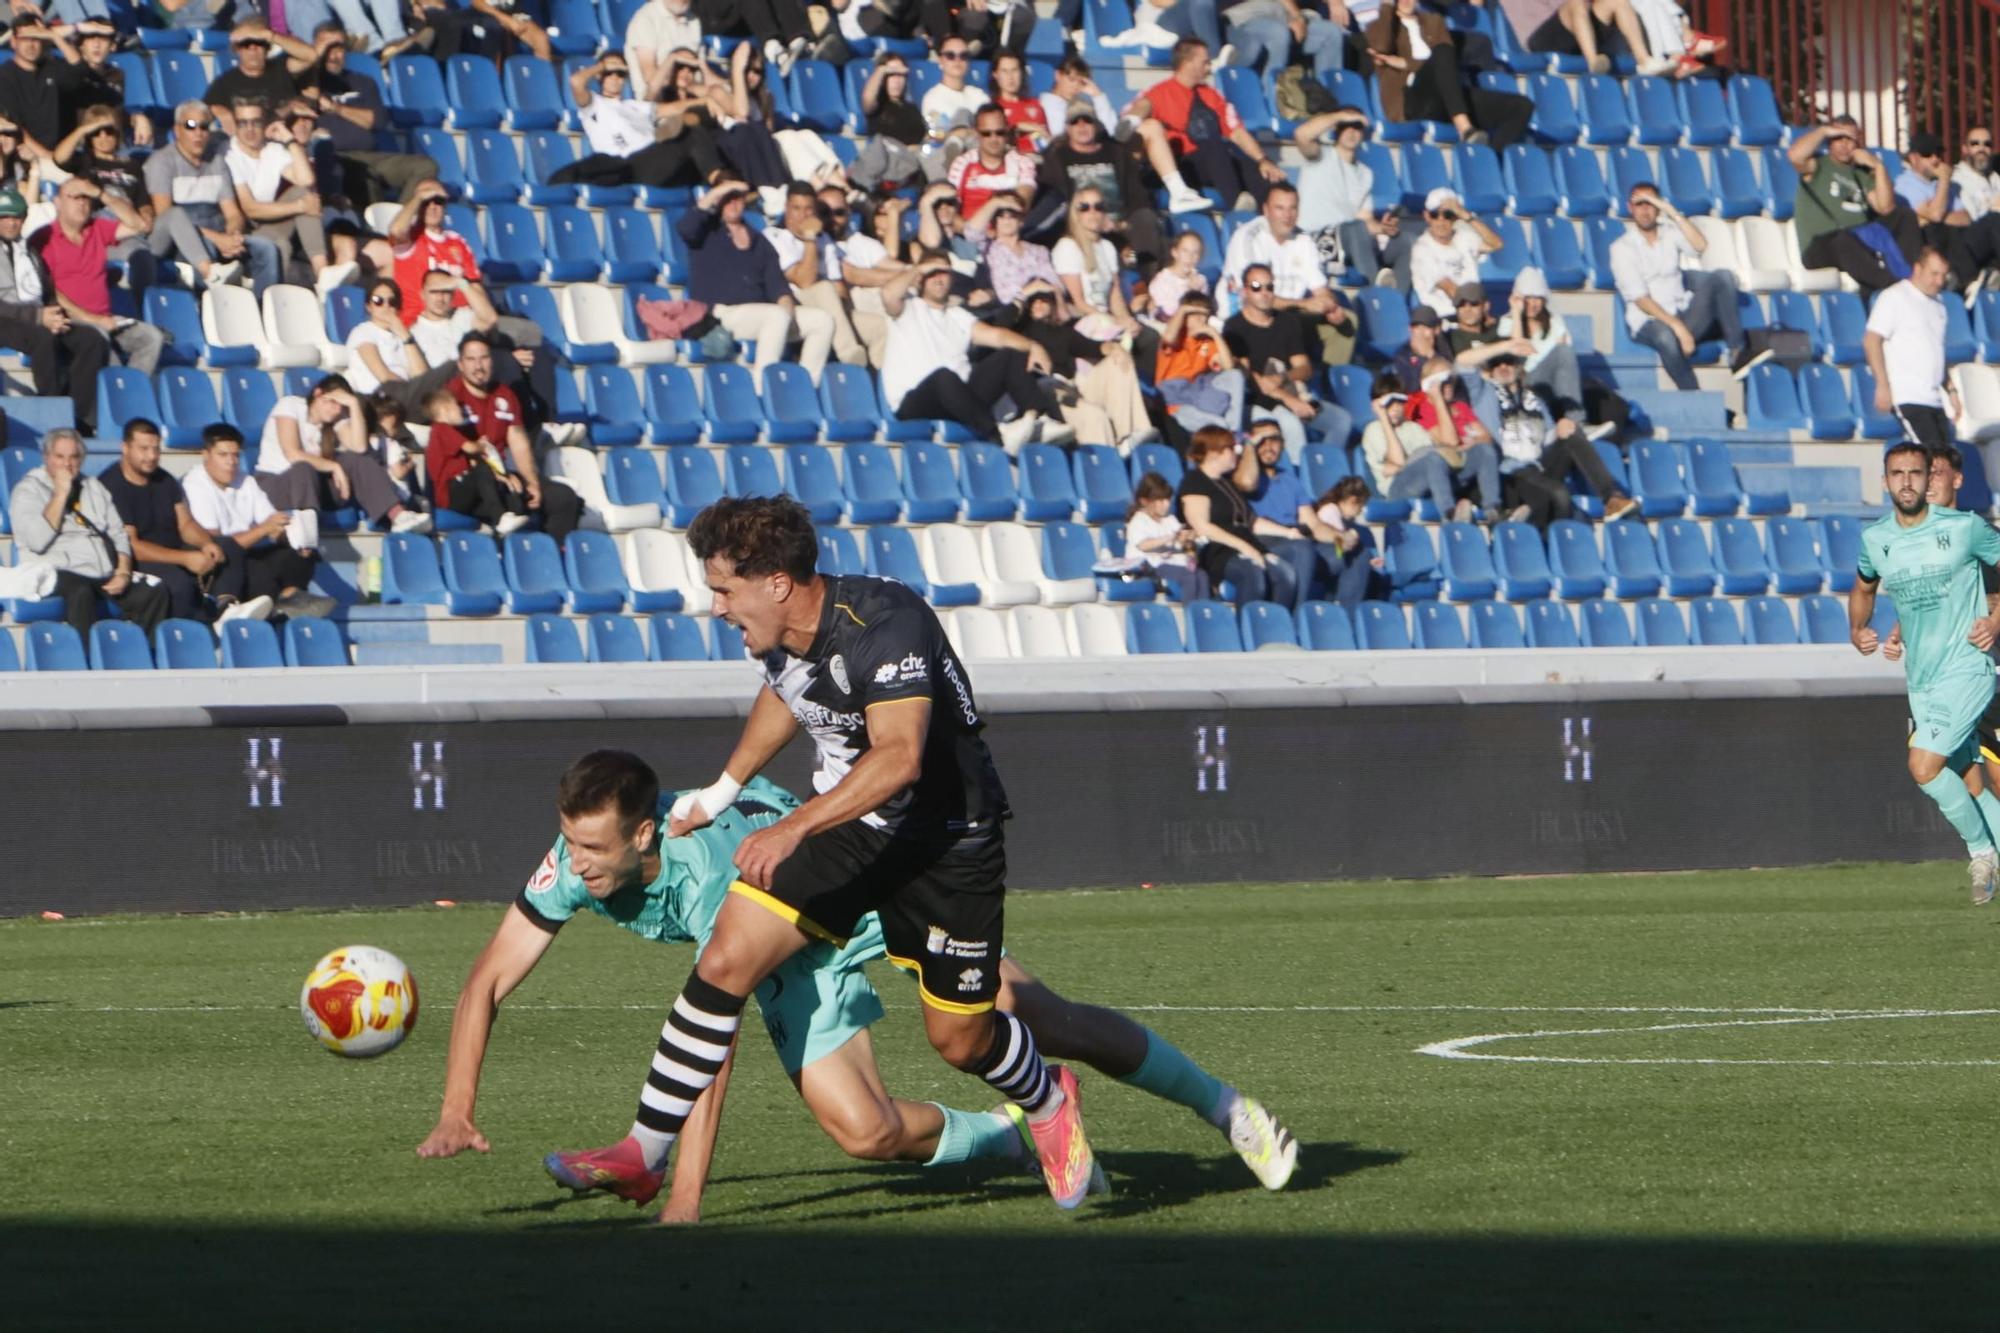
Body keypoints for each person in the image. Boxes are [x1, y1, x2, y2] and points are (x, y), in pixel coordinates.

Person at [423, 751, 1298, 1216]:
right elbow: (486, 980)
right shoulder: (574, 863)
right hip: (794, 948)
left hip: (864, 894)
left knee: (1035, 1016)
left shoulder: (702, 873)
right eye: (569, 843)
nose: (574, 864)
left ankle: (1226, 1108)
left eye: (592, 849)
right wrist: (458, 1107)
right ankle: (1010, 1134)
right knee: (865, 1133)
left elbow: (709, 1039)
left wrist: (685, 1198)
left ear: (645, 835)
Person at [539, 498, 1108, 1213]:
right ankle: (644, 1152)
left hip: (946, 840)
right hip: (854, 828)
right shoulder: (781, 637)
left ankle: (1049, 1098)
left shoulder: (889, 622)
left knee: (961, 1041)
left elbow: (899, 757)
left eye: (723, 589)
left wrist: (792, 826)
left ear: (776, 581)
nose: (715, 607)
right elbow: (788, 696)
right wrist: (721, 790)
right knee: (725, 958)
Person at [1851, 443, 2000, 905]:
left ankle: (1982, 855)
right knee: (1965, 775)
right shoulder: (1877, 539)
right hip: (1923, 678)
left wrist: (1996, 620)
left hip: (1968, 668)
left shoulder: (1964, 529)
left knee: (1923, 765)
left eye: (1917, 473)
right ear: (1885, 482)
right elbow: (1863, 587)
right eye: (1898, 473)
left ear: (1930, 479)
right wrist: (1858, 628)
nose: (1909, 481)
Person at [878, 253, 1069, 450]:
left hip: (960, 400)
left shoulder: (958, 316)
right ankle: (997, 434)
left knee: (1011, 354)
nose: (938, 277)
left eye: (944, 272)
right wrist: (918, 268)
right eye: (932, 272)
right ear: (920, 278)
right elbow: (888, 294)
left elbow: (997, 337)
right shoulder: (907, 307)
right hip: (915, 403)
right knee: (943, 377)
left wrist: (1034, 347)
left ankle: (1040, 419)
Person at [97, 417, 272, 625]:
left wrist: (205, 543)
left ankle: (225, 608)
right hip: (137, 559)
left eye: (156, 449)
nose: (152, 456)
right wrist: (185, 558)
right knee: (179, 582)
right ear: (125, 448)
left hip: (173, 547)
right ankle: (197, 632)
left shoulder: (164, 479)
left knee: (226, 545)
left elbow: (186, 524)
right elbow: (131, 545)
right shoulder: (112, 485)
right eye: (143, 449)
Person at [8, 427, 170, 639]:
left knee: (154, 591)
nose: (67, 464)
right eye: (60, 457)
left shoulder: (93, 487)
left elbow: (118, 534)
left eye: (74, 457)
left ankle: (141, 659)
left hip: (99, 571)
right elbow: (37, 541)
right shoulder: (27, 490)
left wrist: (123, 571)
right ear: (46, 457)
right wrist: (60, 494)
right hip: (55, 570)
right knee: (81, 592)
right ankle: (84, 663)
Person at [677, 177, 835, 383]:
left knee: (822, 321)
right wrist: (720, 190)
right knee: (776, 316)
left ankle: (805, 386)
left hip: (762, 315)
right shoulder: (706, 232)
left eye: (738, 198)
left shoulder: (760, 241)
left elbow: (778, 287)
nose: (733, 204)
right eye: (727, 199)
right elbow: (685, 228)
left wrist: (787, 309)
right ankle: (763, 388)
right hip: (719, 313)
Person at [1609, 182, 1764, 390]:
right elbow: (1640, 298)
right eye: (1640, 204)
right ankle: (1695, 397)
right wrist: (1678, 327)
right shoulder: (1622, 248)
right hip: (1648, 320)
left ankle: (1737, 353)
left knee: (1722, 277)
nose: (1645, 210)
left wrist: (1672, 212)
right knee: (1666, 337)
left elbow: (1700, 246)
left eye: (1651, 204)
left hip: (1683, 311)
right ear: (1630, 208)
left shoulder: (1669, 233)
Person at [1461, 350, 1636, 527]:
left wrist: (1561, 427)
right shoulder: (1483, 394)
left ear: (1518, 366)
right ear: (1489, 370)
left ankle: (1611, 498)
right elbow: (1462, 363)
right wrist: (1507, 345)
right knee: (1560, 495)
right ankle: (1545, 540)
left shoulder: (1534, 399)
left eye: (1508, 362)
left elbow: (1547, 438)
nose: (1503, 367)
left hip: (1538, 464)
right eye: (1496, 364)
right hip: (1511, 472)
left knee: (1572, 433)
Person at [182, 423, 338, 621]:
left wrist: (293, 537)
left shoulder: (245, 481)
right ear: (206, 455)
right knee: (248, 563)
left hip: (248, 549)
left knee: (299, 553)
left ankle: (290, 597)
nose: (231, 462)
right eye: (223, 455)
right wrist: (264, 529)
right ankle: (267, 610)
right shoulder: (195, 484)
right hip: (222, 560)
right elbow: (215, 542)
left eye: (236, 455)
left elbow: (270, 521)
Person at [449, 332, 584, 543]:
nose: (478, 366)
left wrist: (532, 483)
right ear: (460, 364)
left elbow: (519, 442)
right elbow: (458, 447)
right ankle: (506, 563)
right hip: (467, 483)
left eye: (484, 358)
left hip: (502, 476)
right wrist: (499, 476)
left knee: (562, 497)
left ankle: (553, 558)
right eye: (471, 359)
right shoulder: (451, 395)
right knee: (512, 501)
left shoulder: (504, 394)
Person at [258, 373, 432, 533]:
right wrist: (334, 466)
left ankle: (398, 516)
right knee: (303, 468)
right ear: (318, 394)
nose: (335, 410)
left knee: (356, 460)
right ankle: (306, 531)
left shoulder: (336, 419)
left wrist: (354, 404)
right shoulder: (290, 405)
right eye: (332, 402)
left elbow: (360, 448)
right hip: (276, 485)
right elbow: (293, 454)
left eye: (341, 405)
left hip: (315, 490)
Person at [1132, 39, 1288, 216]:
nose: (1209, 67)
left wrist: (1263, 160)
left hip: (1211, 162)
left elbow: (1236, 132)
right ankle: (1237, 208)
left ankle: (1268, 217)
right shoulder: (1158, 93)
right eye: (1205, 62)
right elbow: (1135, 117)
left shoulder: (1211, 95)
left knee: (1257, 170)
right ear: (1187, 62)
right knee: (1214, 147)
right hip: (1181, 165)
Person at [31, 176, 164, 380]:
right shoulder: (44, 239)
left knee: (151, 337)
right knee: (103, 347)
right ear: (58, 202)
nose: (82, 202)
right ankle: (121, 395)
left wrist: (101, 194)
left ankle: (132, 391)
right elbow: (49, 293)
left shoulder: (97, 228)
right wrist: (93, 319)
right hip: (69, 322)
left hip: (105, 320)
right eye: (74, 197)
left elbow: (140, 225)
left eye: (86, 197)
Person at [293, 23, 437, 212]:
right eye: (327, 48)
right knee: (364, 177)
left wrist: (336, 108)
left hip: (371, 156)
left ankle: (397, 222)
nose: (333, 56)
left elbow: (377, 121)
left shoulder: (362, 82)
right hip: (333, 157)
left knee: (426, 166)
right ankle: (378, 228)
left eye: (339, 49)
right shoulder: (306, 83)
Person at [0, 187, 107, 438]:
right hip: (6, 320)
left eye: (16, 216)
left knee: (90, 339)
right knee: (43, 338)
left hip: (36, 317)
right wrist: (39, 318)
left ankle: (79, 416)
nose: (11, 222)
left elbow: (46, 291)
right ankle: (53, 409)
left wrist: (55, 316)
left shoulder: (30, 253)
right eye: (4, 217)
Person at [144, 100, 282, 294]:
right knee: (207, 247)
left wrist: (231, 236)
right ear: (177, 130)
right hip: (183, 239)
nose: (198, 133)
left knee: (266, 249)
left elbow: (232, 213)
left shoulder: (217, 161)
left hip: (218, 230)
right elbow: (165, 216)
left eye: (204, 126)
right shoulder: (161, 162)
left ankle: (263, 309)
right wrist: (217, 239)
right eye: (190, 126)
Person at [1366, 0, 1532, 149]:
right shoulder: (1382, 25)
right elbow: (1380, 47)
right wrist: (1386, 6)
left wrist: (1406, 63)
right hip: (1414, 101)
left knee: (1522, 106)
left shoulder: (1433, 21)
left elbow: (1446, 56)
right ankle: (1464, 128)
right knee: (1441, 52)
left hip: (1448, 96)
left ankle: (1489, 156)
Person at [1223, 181, 1355, 366]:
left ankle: (1332, 381)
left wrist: (1329, 305)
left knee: (1346, 322)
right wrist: (1306, 304)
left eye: (1292, 208)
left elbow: (1320, 288)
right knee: (1283, 323)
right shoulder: (1248, 237)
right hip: (1248, 317)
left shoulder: (1303, 240)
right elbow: (1257, 298)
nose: (1287, 216)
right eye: (1280, 208)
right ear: (1266, 210)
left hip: (1288, 317)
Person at [1790, 115, 1922, 294]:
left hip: (1859, 239)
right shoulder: (1819, 166)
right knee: (1843, 241)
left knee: (1905, 215)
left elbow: (1886, 207)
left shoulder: (1861, 173)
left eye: (1850, 139)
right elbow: (1795, 156)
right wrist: (1823, 130)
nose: (1844, 144)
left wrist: (1878, 166)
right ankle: (1891, 288)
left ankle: (1912, 274)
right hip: (1821, 246)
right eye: (1838, 138)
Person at [1012, 282, 1152, 449]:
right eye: (1033, 302)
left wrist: (1114, 348)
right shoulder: (1019, 332)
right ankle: (1106, 465)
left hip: (1075, 387)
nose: (1038, 305)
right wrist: (1023, 293)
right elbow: (1000, 323)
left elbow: (1093, 347)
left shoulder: (1063, 332)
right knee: (1096, 417)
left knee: (1118, 358)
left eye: (1043, 301)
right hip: (1049, 390)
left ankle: (1129, 434)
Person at [1294, 106, 1414, 291]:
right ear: (1336, 129)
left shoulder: (1365, 174)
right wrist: (1339, 115)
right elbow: (1301, 134)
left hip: (1350, 240)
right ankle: (1376, 291)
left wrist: (1382, 228)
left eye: (1357, 126)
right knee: (1356, 230)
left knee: (1406, 239)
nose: (1352, 132)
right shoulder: (1321, 155)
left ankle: (1397, 301)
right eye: (1346, 126)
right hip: (1315, 239)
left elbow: (1365, 219)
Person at [1176, 425, 1298, 608]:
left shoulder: (1228, 483)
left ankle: (1276, 628)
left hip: (1248, 545)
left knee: (1286, 574)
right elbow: (1202, 526)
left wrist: (1288, 533)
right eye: (1231, 448)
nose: (1236, 452)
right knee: (1253, 574)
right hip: (1219, 551)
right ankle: (1248, 629)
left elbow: (1250, 521)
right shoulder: (1195, 481)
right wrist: (1245, 548)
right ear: (1214, 453)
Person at [223, 96, 338, 289]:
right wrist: (300, 206)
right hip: (243, 231)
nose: (250, 129)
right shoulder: (230, 155)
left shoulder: (272, 150)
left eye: (256, 122)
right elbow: (250, 210)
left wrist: (289, 138)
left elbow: (307, 179)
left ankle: (323, 273)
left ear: (265, 123)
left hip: (267, 224)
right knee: (280, 243)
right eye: (243, 123)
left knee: (304, 191)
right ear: (235, 126)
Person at [1032, 104, 1163, 272]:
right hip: (1078, 223)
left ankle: (1149, 284)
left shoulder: (1116, 153)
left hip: (1118, 221)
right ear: (1067, 128)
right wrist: (1089, 220)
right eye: (1075, 122)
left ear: (1096, 124)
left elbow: (1137, 195)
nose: (1081, 126)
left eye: (1087, 120)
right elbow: (1056, 198)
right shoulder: (1057, 157)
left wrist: (1120, 225)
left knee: (1145, 219)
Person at [1240, 418, 1348, 612]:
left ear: (1282, 444)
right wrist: (1249, 445)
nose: (1268, 446)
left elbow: (1313, 524)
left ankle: (1345, 622)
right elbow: (1247, 485)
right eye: (1261, 440)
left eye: (1274, 440)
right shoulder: (1243, 476)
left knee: (1350, 554)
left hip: (1298, 541)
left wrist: (1341, 539)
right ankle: (1296, 618)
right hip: (1265, 541)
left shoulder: (1290, 479)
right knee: (1302, 547)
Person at [1360, 369, 1495, 523]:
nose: (1396, 408)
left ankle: (1492, 510)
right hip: (1396, 489)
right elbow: (1399, 461)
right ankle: (1450, 514)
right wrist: (1384, 419)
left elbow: (1435, 454)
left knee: (1483, 451)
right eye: (1389, 404)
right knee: (1433, 459)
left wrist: (1462, 450)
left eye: (1400, 402)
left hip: (1427, 480)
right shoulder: (1374, 429)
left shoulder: (1412, 428)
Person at [1224, 262, 1323, 457]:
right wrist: (1290, 401)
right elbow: (1249, 378)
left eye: (1269, 287)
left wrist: (1281, 378)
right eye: (1256, 287)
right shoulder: (1234, 327)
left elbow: (1304, 367)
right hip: (1257, 400)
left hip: (1288, 389)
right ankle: (1297, 479)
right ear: (1244, 292)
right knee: (1291, 426)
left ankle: (1320, 469)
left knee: (1340, 422)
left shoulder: (1288, 322)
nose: (1264, 292)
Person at [767, 183, 870, 370]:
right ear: (786, 209)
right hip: (795, 303)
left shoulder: (825, 240)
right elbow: (804, 281)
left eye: (808, 209)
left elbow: (839, 287)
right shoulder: (774, 236)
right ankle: (849, 354)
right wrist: (809, 238)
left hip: (831, 308)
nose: (803, 215)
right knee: (823, 288)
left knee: (879, 328)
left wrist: (842, 309)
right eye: (796, 208)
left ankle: (878, 390)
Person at [1865, 247, 1959, 452]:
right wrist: (1882, 385)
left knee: (1946, 466)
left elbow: (1937, 353)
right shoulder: (1895, 297)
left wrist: (1951, 390)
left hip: (1934, 399)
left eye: (1943, 275)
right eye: (1934, 274)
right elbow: (1872, 340)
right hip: (1908, 396)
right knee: (1930, 461)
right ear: (1918, 269)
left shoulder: (1939, 306)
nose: (1940, 281)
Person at [422, 386, 531, 535]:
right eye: (456, 405)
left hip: (465, 492)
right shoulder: (441, 429)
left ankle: (504, 538)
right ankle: (500, 519)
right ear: (444, 409)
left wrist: (500, 476)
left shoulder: (448, 432)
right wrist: (481, 444)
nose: (461, 410)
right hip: (451, 495)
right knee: (482, 469)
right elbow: (471, 448)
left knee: (509, 499)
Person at [1156, 290, 1246, 440]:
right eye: (1195, 314)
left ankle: (1235, 428)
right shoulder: (1176, 337)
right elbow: (1169, 338)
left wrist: (1215, 334)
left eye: (1204, 315)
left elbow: (1229, 367)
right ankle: (1232, 437)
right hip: (1175, 402)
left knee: (1235, 376)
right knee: (1219, 426)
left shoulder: (1207, 341)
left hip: (1198, 392)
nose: (1201, 319)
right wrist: (1184, 309)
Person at [1509, 0, 1676, 78]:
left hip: (1577, 27)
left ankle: (1644, 60)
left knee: (1617, 1)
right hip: (1539, 39)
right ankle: (1593, 60)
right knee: (1575, 4)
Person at [54, 18, 152, 148]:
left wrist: (138, 117)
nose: (96, 44)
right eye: (90, 38)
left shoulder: (118, 75)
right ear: (81, 44)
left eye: (103, 39)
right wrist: (77, 27)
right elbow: (44, 35)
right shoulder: (68, 73)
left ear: (112, 46)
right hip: (78, 145)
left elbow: (121, 113)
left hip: (113, 145)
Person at [1409, 186, 1501, 319]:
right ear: (1427, 216)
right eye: (1435, 215)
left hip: (1472, 312)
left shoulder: (1464, 236)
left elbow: (1496, 244)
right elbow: (1450, 289)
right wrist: (1481, 315)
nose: (1441, 221)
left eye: (1448, 215)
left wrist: (1466, 216)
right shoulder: (1422, 249)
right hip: (1445, 317)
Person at [204, 24, 311, 137]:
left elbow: (311, 56)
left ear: (267, 48)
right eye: (246, 44)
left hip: (288, 136)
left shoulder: (281, 68)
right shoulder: (225, 82)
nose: (253, 48)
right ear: (237, 50)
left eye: (259, 43)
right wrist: (217, 110)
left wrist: (272, 36)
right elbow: (201, 114)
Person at [1125, 471, 1206, 602]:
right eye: (1161, 500)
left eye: (1168, 499)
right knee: (1188, 576)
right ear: (1145, 501)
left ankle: (1204, 612)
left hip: (1171, 563)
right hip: (1151, 566)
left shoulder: (1170, 519)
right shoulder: (1138, 521)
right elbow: (1143, 545)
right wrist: (1169, 538)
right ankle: (1192, 614)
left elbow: (1179, 541)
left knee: (1202, 575)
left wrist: (1187, 538)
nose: (1167, 504)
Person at [948, 104, 1037, 221]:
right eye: (986, 133)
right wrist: (972, 231)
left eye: (999, 132)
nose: (993, 139)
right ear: (976, 133)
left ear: (1007, 130)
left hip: (1008, 232)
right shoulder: (962, 163)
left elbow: (1021, 204)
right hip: (967, 234)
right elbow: (950, 212)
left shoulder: (1023, 163)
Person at [919, 37, 987, 166]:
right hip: (953, 159)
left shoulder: (979, 94)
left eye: (963, 55)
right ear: (940, 60)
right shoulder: (932, 98)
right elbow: (938, 135)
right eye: (950, 55)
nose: (957, 60)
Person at [0, 18, 61, 161]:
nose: (31, 44)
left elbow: (79, 70)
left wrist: (53, 36)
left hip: (57, 152)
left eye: (36, 38)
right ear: (13, 41)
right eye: (25, 39)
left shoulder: (51, 69)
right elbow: (14, 123)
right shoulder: (4, 77)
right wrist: (47, 158)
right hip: (22, 153)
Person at [625, 0, 702, 100]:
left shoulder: (693, 20)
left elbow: (697, 71)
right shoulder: (645, 19)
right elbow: (650, 77)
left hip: (687, 95)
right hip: (655, 101)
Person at [1954, 126, 2000, 224]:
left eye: (1987, 144)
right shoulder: (1957, 181)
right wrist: (1995, 209)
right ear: (1965, 149)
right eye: (1975, 143)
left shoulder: (1995, 177)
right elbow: (1972, 220)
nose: (1981, 148)